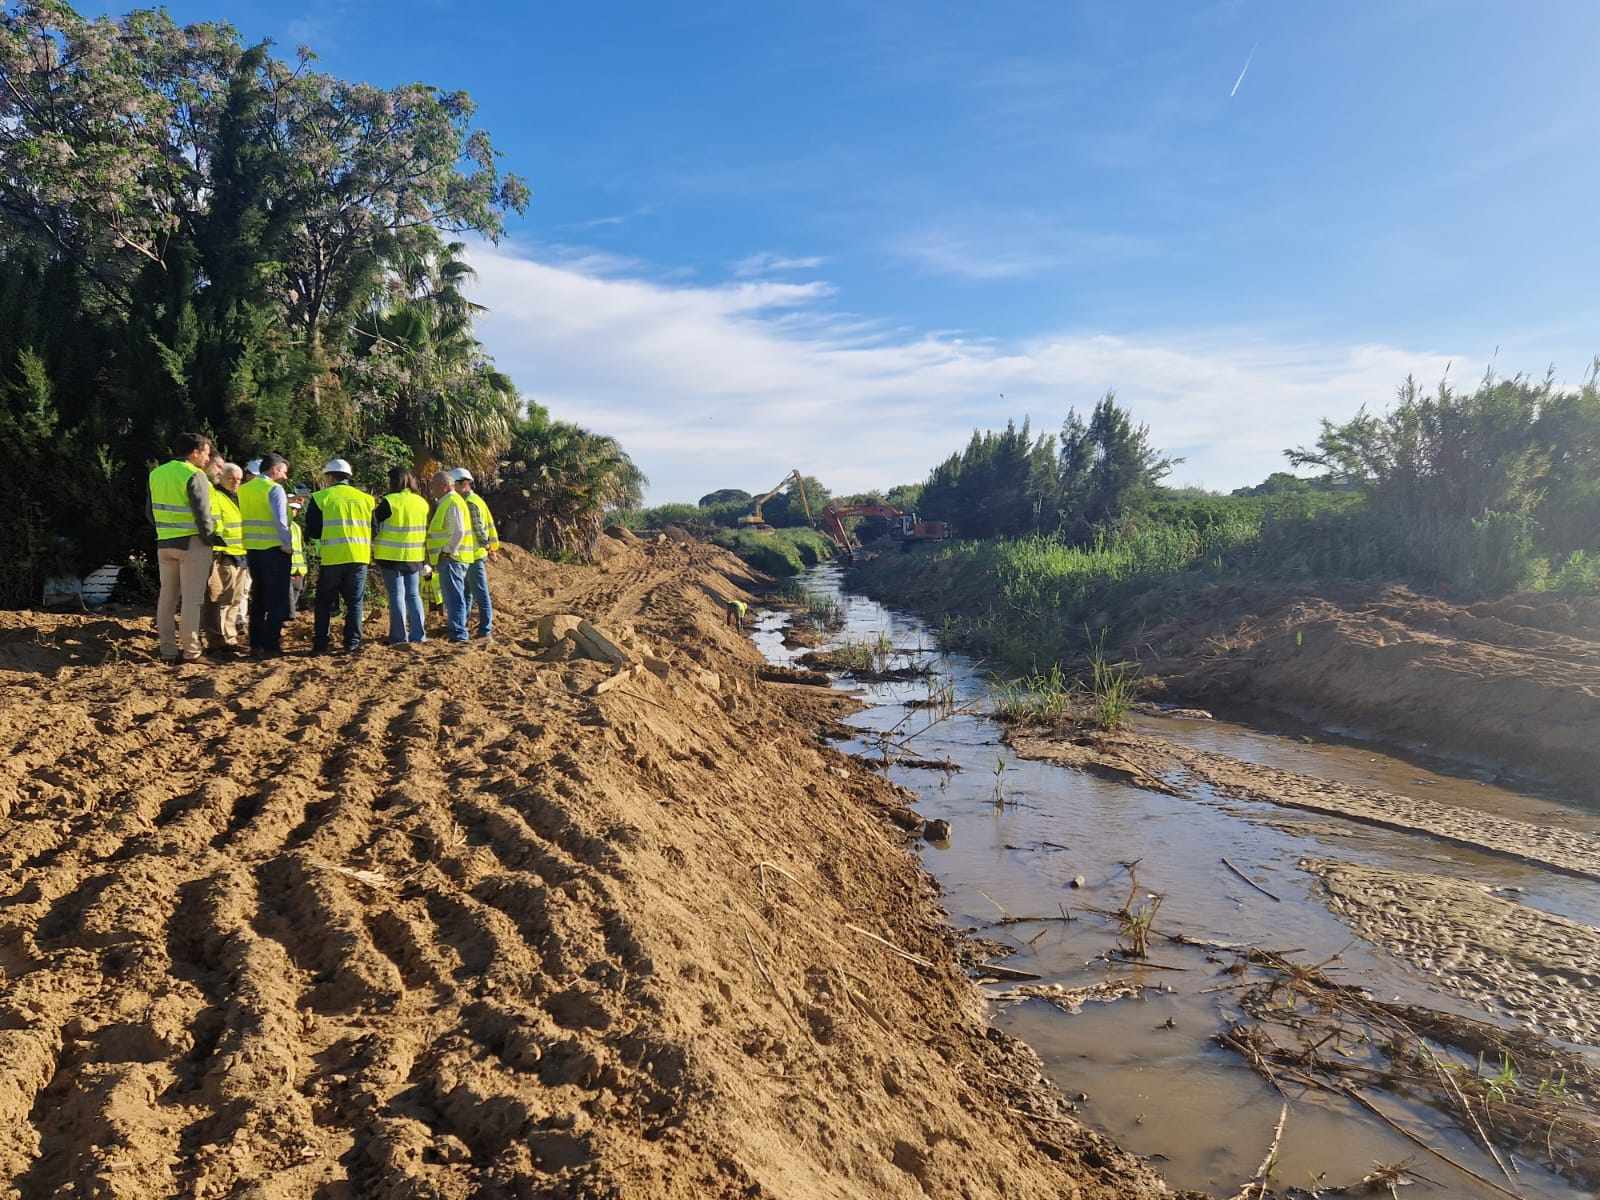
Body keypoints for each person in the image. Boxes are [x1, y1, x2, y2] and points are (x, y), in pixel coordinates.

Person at [147, 432, 220, 663]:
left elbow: (149, 511)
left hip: (164, 542)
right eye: (206, 453)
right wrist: (210, 539)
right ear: (195, 452)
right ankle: (192, 652)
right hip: (192, 543)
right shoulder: (195, 475)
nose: (207, 459)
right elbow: (203, 514)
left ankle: (167, 650)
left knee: (167, 598)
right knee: (191, 600)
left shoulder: (156, 474)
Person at [306, 457, 375, 654]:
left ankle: (321, 643)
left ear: (329, 477)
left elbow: (314, 531)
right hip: (359, 557)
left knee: (324, 602)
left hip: (332, 558)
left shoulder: (321, 497)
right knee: (354, 602)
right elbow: (374, 528)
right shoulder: (366, 499)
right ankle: (352, 643)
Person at [238, 452, 294, 658]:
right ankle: (272, 644)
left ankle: (255, 643)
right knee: (277, 599)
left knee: (258, 597)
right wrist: (287, 546)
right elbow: (280, 522)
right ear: (275, 469)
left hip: (252, 549)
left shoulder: (244, 490)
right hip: (274, 550)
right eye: (284, 472)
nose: (285, 477)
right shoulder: (274, 489)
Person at [372, 467, 429, 645]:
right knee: (413, 595)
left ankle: (398, 637)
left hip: (391, 556)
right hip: (414, 556)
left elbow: (373, 525)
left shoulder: (389, 501)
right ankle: (419, 635)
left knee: (397, 595)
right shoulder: (422, 502)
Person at [426, 468, 476, 645]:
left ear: (444, 486)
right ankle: (458, 631)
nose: (431, 489)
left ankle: (458, 634)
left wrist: (448, 550)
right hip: (454, 557)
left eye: (433, 486)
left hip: (452, 558)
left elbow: (459, 530)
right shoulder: (450, 501)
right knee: (455, 596)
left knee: (453, 597)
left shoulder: (452, 502)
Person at [203, 462, 248, 655]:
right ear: (222, 477)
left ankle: (230, 637)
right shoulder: (216, 496)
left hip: (241, 554)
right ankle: (218, 639)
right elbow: (214, 524)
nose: (236, 482)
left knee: (236, 598)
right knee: (223, 598)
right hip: (224, 554)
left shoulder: (239, 498)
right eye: (232, 478)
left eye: (239, 479)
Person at [451, 467, 498, 641]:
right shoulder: (474, 499)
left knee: (480, 593)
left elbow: (478, 529)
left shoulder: (470, 502)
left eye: (453, 484)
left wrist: (488, 548)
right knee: (468, 593)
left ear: (463, 484)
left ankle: (485, 630)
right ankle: (463, 624)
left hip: (475, 555)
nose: (451, 488)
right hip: (470, 555)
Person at [287, 491, 309, 615]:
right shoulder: (280, 525)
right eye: (291, 509)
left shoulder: (295, 527)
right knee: (287, 596)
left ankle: (289, 614)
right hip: (286, 568)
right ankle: (288, 616)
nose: (293, 512)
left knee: (297, 591)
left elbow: (300, 549)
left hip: (298, 569)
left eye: (295, 510)